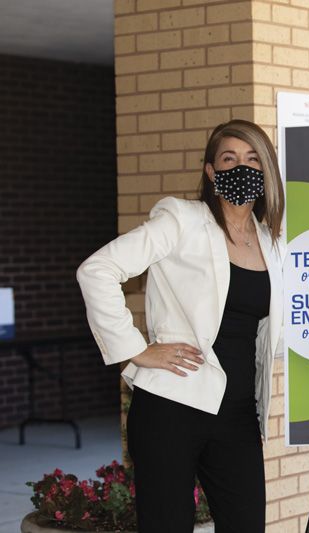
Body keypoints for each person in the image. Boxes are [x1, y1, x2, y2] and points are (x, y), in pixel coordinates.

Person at [77, 119, 284, 533]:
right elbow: (96, 269)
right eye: (229, 159)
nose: (241, 168)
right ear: (211, 171)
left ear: (267, 170)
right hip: (172, 407)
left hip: (239, 413)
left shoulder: (271, 240)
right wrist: (134, 349)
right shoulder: (183, 220)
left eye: (252, 159)